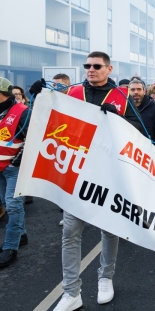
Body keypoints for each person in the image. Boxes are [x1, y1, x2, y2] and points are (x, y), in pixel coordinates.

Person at [29, 51, 144, 310]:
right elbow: (47, 118)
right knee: (70, 231)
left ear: (109, 69)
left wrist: (118, 117)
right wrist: (36, 98)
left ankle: (105, 277)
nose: (90, 69)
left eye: (96, 66)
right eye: (87, 66)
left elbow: (139, 132)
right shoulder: (72, 92)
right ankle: (72, 292)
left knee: (109, 228)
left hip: (109, 173)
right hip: (76, 171)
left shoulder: (122, 97)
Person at [0, 78, 30, 269]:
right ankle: (22, 235)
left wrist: (17, 159)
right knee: (5, 202)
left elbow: (33, 138)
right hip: (1, 167)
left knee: (13, 206)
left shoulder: (23, 111)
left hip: (13, 168)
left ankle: (10, 248)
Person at [129, 79, 155, 143]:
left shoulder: (154, 108)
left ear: (144, 91)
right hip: (127, 147)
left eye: (139, 89)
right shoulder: (123, 107)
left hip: (147, 148)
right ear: (128, 91)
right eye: (133, 90)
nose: (136, 92)